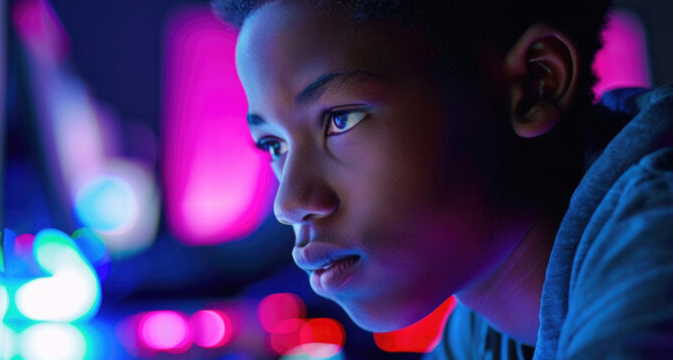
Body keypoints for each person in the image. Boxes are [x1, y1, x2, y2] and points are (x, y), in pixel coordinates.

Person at [212, 0, 673, 358]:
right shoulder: (483, 327)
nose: (290, 202)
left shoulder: (656, 241)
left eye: (341, 119)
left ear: (536, 85)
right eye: (275, 145)